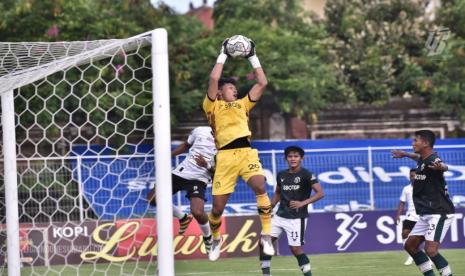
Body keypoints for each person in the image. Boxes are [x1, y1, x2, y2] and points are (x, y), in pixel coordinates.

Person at [202, 37, 274, 261]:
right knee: (216, 208)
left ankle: (266, 235)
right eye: (230, 87)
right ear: (221, 93)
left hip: (246, 153)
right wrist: (223, 53)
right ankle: (214, 238)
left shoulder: (243, 103)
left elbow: (262, 83)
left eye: (234, 87)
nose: (234, 89)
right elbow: (214, 77)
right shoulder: (212, 105)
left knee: (260, 185)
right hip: (224, 157)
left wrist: (253, 55)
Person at [391, 130, 455, 276]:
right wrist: (405, 154)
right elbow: (417, 157)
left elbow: (441, 165)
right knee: (410, 245)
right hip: (426, 212)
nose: (413, 143)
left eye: (415, 140)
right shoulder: (422, 159)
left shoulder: (433, 159)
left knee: (431, 250)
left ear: (425, 143)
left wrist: (442, 167)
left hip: (439, 212)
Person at [147, 126, 216, 254]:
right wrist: (168, 155)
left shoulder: (227, 142)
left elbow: (218, 171)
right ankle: (183, 217)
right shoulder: (200, 130)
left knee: (197, 212)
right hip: (180, 173)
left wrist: (206, 165)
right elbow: (185, 146)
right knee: (152, 198)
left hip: (199, 178)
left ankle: (208, 237)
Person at [259, 146, 324, 276]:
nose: (293, 159)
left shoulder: (307, 174)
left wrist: (302, 203)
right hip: (279, 216)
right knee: (264, 242)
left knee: (295, 249)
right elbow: (278, 193)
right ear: (286, 158)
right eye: (290, 156)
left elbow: (320, 193)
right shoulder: (281, 175)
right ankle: (266, 274)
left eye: (296, 156)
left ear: (301, 158)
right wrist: (271, 206)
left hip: (296, 218)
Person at [395, 168, 420, 266]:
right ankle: (411, 255)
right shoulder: (406, 189)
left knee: (427, 239)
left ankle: (427, 258)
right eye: (411, 176)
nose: (412, 177)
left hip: (423, 216)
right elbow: (402, 202)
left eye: (414, 175)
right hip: (411, 215)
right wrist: (398, 216)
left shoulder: (425, 187)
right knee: (404, 234)